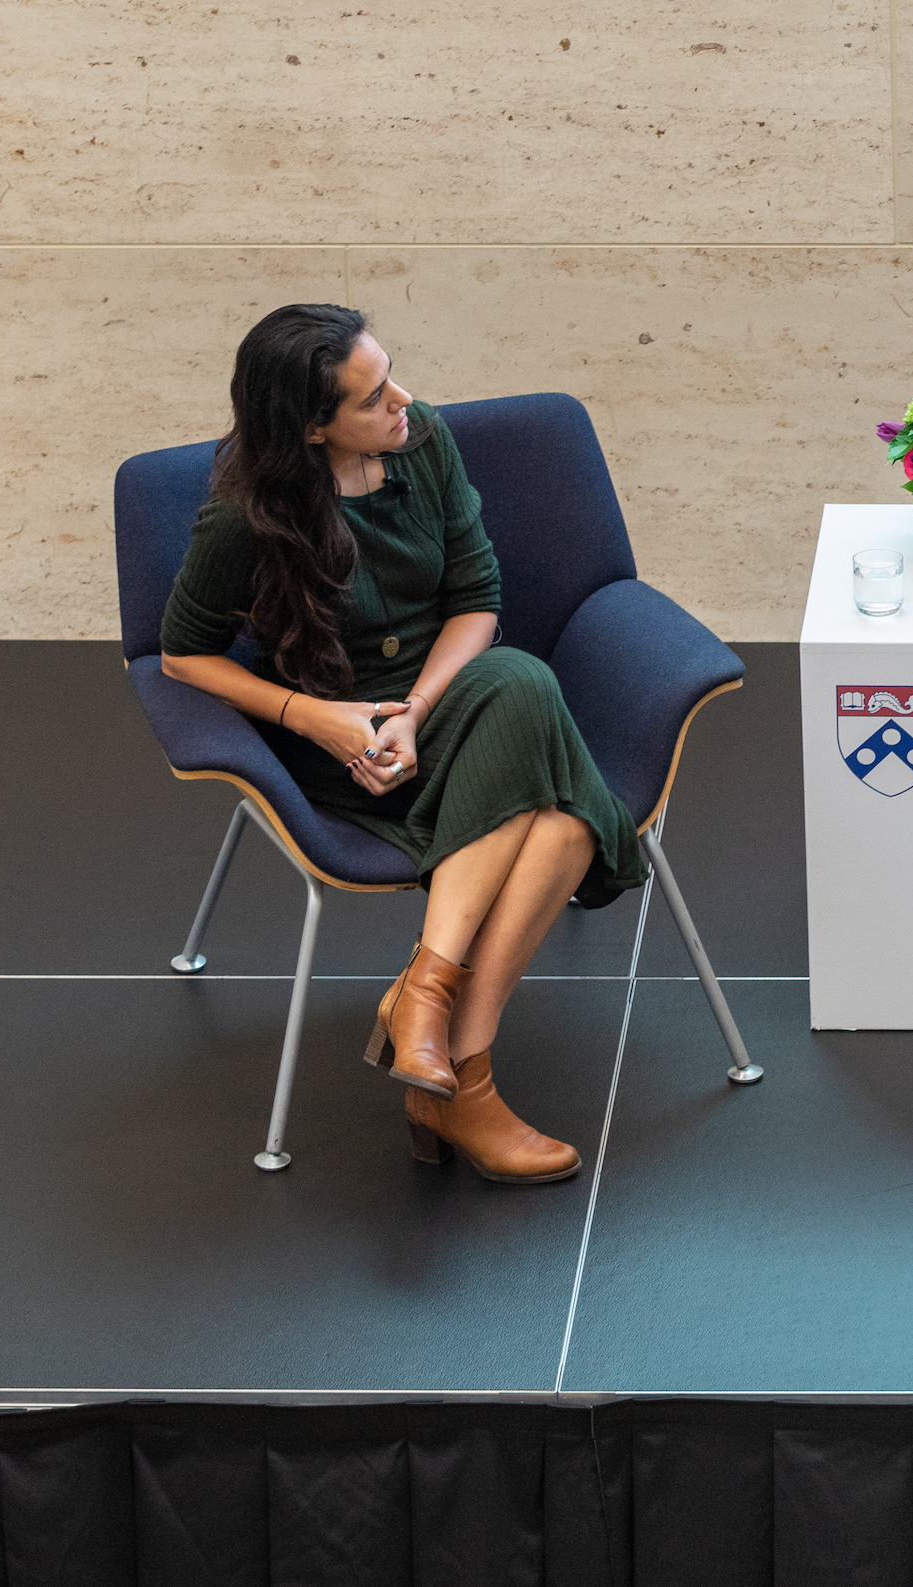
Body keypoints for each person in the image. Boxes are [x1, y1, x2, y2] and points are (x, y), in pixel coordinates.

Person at [158, 304, 648, 1184]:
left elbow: (479, 596)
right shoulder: (246, 518)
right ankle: (457, 1078)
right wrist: (317, 718)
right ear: (311, 429)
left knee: (519, 680)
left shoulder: (422, 444)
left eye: (393, 375)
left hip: (449, 704)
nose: (405, 403)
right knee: (568, 821)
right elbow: (181, 655)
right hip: (338, 746)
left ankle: (434, 1011)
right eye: (373, 397)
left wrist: (416, 711)